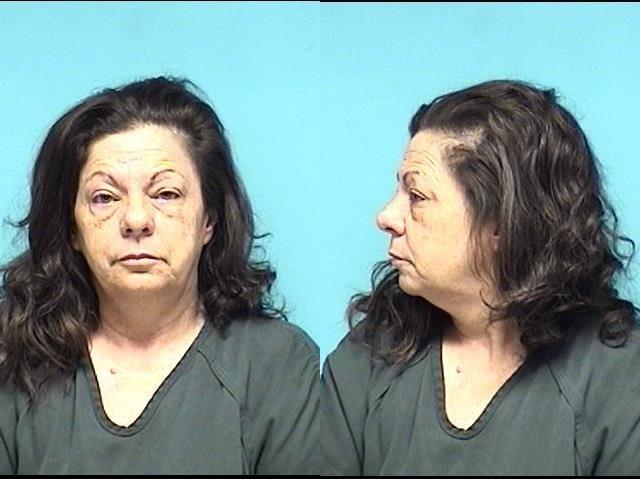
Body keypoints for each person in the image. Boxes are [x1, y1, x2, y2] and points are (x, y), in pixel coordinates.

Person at [0, 76, 319, 474]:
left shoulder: (275, 363)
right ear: (72, 229)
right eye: (105, 197)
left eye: (166, 194)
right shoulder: (15, 360)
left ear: (210, 219)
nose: (136, 219)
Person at [321, 79, 640, 475]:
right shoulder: (368, 356)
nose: (386, 217)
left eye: (416, 197)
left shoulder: (619, 376)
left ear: (504, 223)